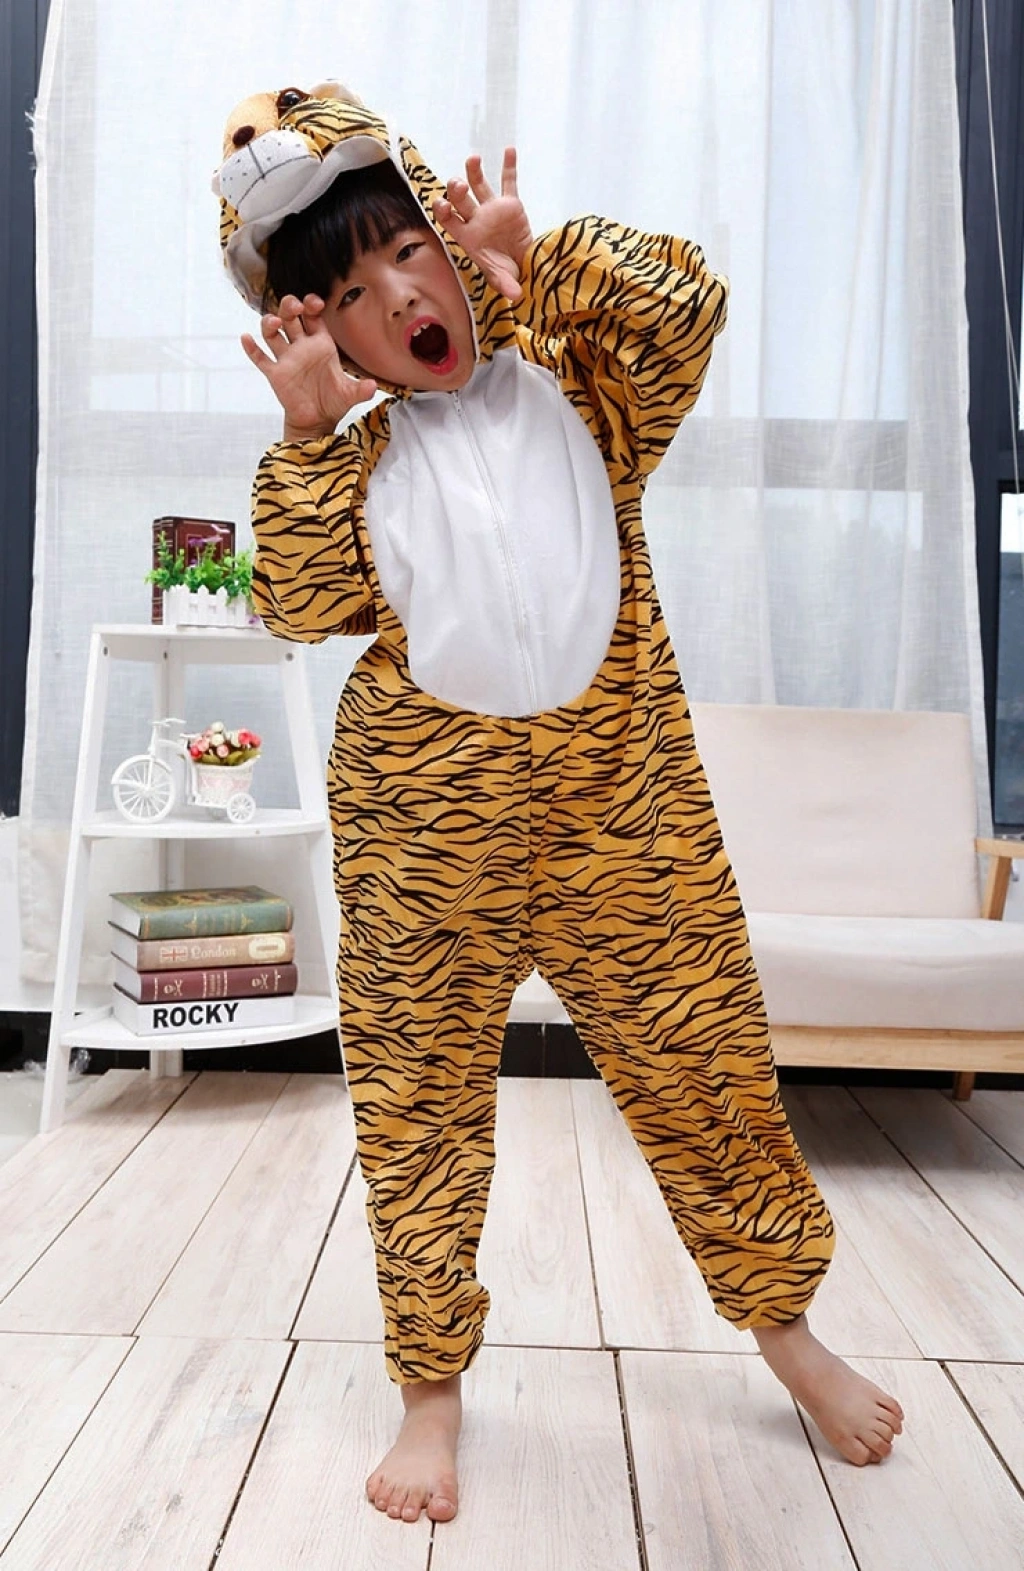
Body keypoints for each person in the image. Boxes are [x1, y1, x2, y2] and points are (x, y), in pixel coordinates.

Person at [215, 80, 905, 1525]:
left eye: (408, 250)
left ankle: (790, 1336)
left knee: (705, 1066)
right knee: (415, 1105)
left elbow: (692, 305)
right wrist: (306, 439)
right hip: (423, 822)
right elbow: (299, 606)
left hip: (619, 799)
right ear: (329, 336)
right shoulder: (357, 462)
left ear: (450, 244)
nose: (399, 296)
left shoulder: (583, 383)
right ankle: (430, 1393)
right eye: (352, 295)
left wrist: (544, 257)